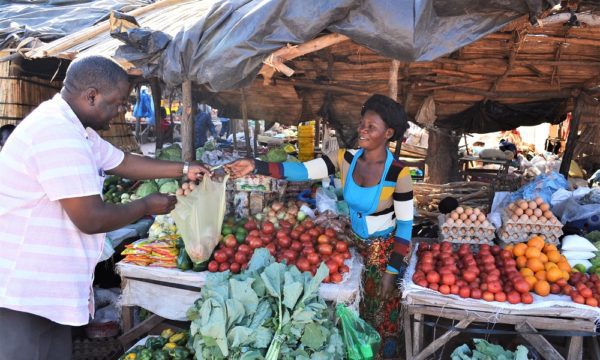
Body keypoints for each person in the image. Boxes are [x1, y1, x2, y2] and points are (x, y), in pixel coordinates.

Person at [0, 55, 211, 360]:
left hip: (46, 291)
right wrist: (147, 205)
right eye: (119, 102)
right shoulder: (57, 133)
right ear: (91, 96)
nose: (123, 111)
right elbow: (91, 218)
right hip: (23, 291)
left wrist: (184, 168)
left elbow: (124, 162)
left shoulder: (77, 129)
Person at [225, 94, 413, 358]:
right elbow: (302, 171)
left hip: (385, 256)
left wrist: (391, 272)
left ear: (388, 133)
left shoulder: (398, 174)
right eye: (362, 123)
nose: (362, 130)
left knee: (381, 322)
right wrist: (257, 165)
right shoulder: (345, 159)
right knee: (353, 319)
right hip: (355, 250)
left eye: (371, 127)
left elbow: (405, 226)